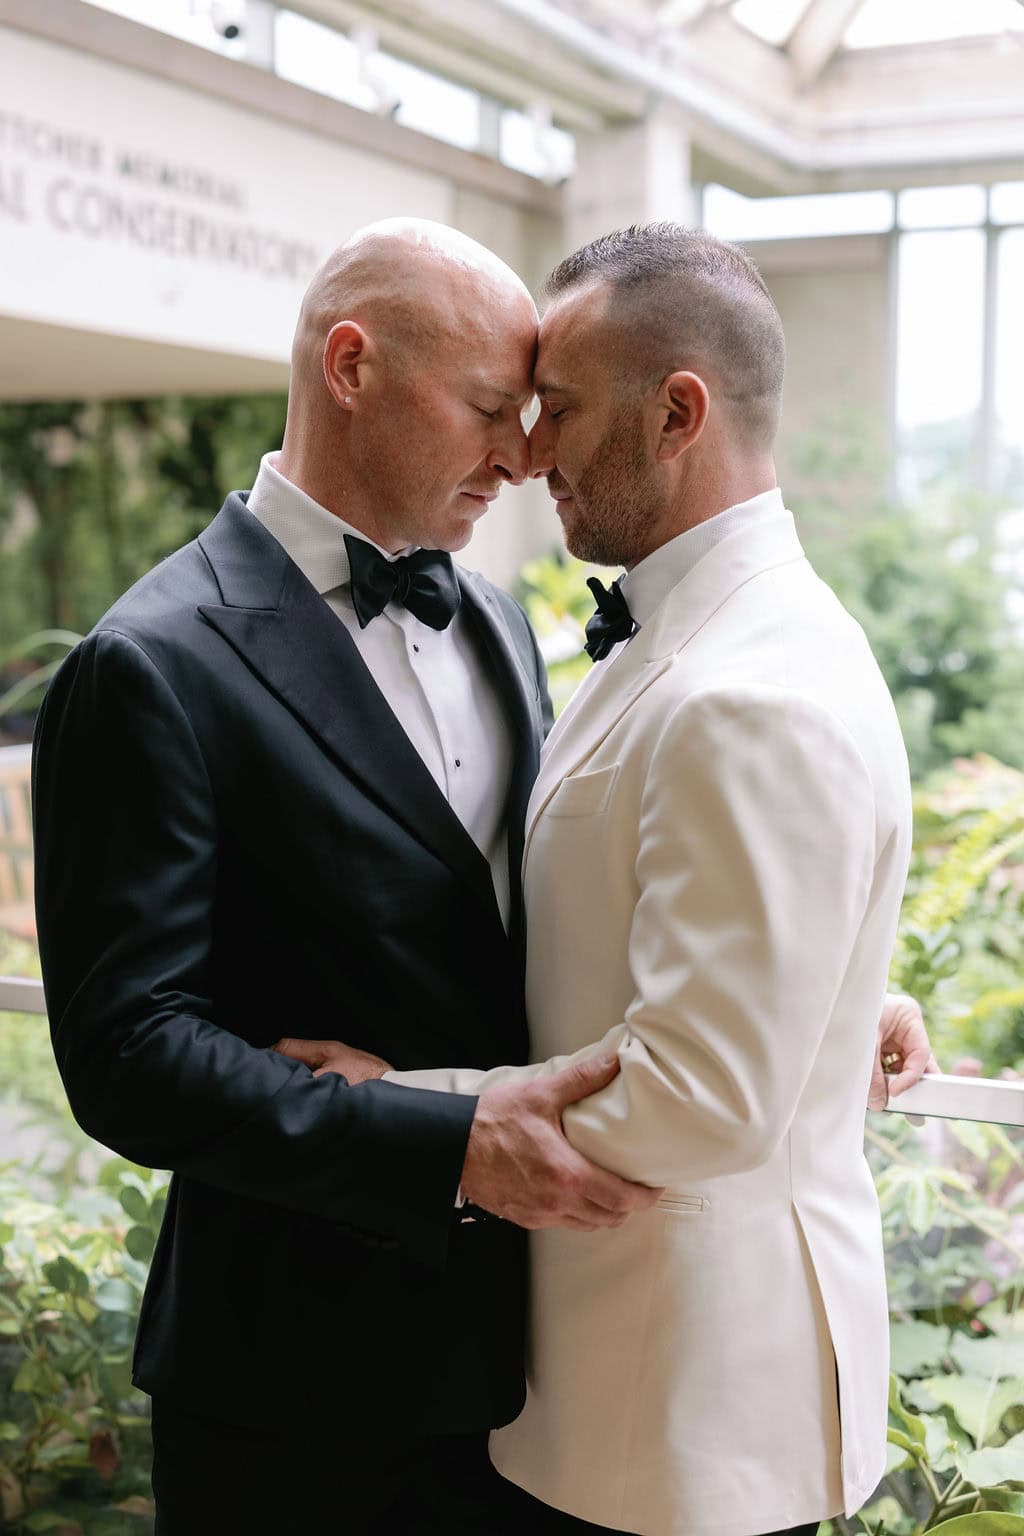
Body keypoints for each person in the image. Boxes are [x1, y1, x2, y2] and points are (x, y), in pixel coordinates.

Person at [30, 219, 663, 1536]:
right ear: (352, 364)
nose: (523, 455)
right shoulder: (145, 665)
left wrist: (826, 993)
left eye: (534, 415)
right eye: (492, 406)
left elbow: (537, 911)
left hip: (532, 1369)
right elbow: (124, 1053)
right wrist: (442, 1143)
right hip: (290, 1387)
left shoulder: (490, 618)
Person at [305, 224, 923, 1536]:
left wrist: (404, 1109)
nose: (527, 453)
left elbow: (703, 1099)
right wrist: (830, 994)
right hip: (624, 1396)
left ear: (678, 412)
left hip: (682, 1418)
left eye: (561, 409)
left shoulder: (748, 686)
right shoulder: (708, 635)